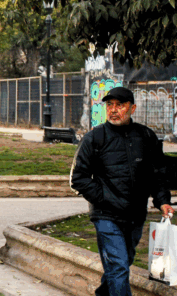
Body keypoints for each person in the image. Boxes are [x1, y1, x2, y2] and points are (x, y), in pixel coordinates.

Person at [70, 86, 174, 295]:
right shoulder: (94, 138)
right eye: (110, 105)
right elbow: (78, 178)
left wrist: (163, 200)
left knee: (119, 265)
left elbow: (158, 174)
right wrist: (103, 198)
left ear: (132, 108)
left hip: (135, 215)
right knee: (118, 267)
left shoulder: (146, 137)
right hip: (106, 215)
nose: (114, 110)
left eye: (120, 105)